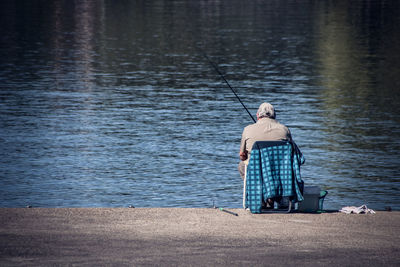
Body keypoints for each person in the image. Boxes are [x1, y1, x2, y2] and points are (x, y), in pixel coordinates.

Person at [238, 102, 292, 180]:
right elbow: (292, 151)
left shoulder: (247, 129)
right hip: (278, 168)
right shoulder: (284, 129)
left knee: (241, 165)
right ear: (274, 115)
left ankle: (252, 187)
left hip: (256, 168)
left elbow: (242, 155)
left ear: (257, 115)